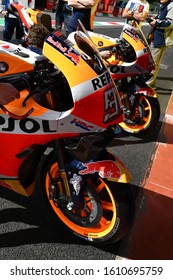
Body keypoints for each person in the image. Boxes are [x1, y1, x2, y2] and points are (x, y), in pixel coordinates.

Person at [146, 0, 173, 89]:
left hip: (161, 38)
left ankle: (148, 84)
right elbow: (163, 19)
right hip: (156, 36)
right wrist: (155, 19)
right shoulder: (164, 5)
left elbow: (170, 23)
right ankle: (151, 84)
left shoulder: (171, 5)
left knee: (153, 63)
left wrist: (156, 22)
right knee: (153, 62)